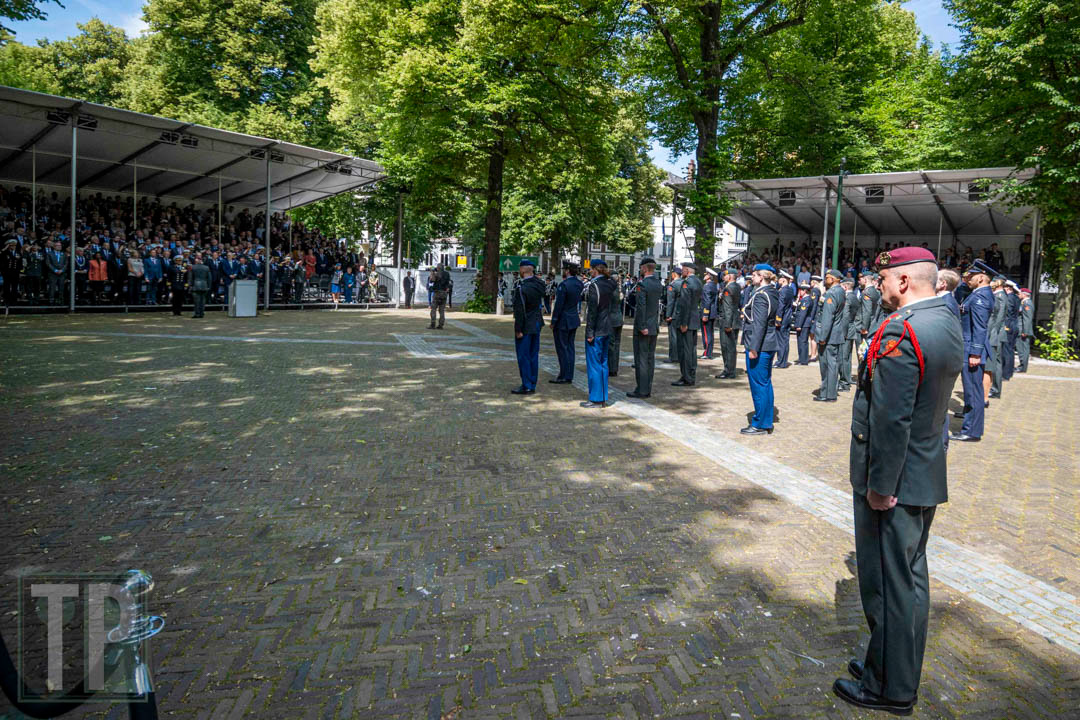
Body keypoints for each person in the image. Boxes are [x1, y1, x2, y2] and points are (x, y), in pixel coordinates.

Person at [833, 246, 963, 716]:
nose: (879, 285)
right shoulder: (945, 318)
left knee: (887, 586)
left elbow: (891, 419)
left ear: (905, 281)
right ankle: (890, 667)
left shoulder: (902, 328)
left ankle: (888, 689)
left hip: (895, 480)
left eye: (884, 278)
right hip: (925, 471)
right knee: (910, 580)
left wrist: (879, 485)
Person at [951, 261, 995, 442]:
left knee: (973, 392)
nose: (967, 278)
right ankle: (971, 427)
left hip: (971, 349)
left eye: (971, 276)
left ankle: (972, 431)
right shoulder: (977, 294)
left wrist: (975, 353)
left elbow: (979, 327)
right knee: (971, 391)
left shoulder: (981, 296)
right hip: (969, 347)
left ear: (982, 277)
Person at [741, 264, 780, 435]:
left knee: (759, 385)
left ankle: (760, 423)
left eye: (755, 275)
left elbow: (759, 324)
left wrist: (753, 347)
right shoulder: (771, 291)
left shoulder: (761, 295)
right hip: (768, 343)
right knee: (765, 383)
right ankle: (766, 419)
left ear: (762, 277)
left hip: (760, 345)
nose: (752, 277)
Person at [582, 259, 616, 407]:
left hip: (597, 330)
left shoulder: (594, 286)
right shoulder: (611, 284)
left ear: (595, 270)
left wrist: (589, 332)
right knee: (603, 364)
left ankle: (595, 398)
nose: (589, 271)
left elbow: (592, 312)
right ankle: (602, 397)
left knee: (594, 365)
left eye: (591, 269)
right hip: (608, 327)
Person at [629, 258, 662, 399]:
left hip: (643, 327)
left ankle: (642, 389)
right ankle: (646, 387)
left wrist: (642, 326)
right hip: (653, 326)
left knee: (641, 359)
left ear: (644, 268)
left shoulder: (642, 285)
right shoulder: (658, 283)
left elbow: (641, 307)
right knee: (649, 359)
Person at [511, 259, 545, 395]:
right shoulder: (539, 284)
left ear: (523, 270)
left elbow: (519, 311)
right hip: (537, 323)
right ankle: (532, 381)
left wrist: (518, 329)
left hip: (525, 325)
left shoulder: (521, 287)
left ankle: (527, 384)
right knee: (533, 355)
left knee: (523, 356)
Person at [814, 269, 847, 402]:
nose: (825, 280)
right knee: (832, 364)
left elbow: (828, 317)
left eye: (827, 277)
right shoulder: (840, 291)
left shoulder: (832, 293)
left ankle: (827, 394)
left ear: (833, 279)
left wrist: (823, 337)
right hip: (835, 333)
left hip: (829, 335)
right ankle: (830, 392)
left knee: (827, 365)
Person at [549, 263, 583, 384]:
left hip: (563, 320)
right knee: (570, 348)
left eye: (565, 270)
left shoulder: (564, 285)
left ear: (568, 271)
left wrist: (553, 320)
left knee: (562, 348)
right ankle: (569, 374)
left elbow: (559, 305)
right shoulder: (579, 284)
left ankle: (563, 375)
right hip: (573, 318)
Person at [672, 262, 703, 387]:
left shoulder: (687, 283)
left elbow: (685, 304)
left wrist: (683, 323)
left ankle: (686, 377)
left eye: (683, 269)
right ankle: (690, 374)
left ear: (687, 270)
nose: (682, 271)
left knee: (684, 351)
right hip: (694, 320)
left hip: (687, 321)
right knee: (691, 350)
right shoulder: (698, 282)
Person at [715, 268, 742, 378]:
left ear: (730, 276)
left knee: (727, 347)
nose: (723, 276)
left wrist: (727, 324)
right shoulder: (736, 286)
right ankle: (730, 369)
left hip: (728, 321)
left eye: (725, 275)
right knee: (731, 347)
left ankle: (729, 371)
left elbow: (728, 308)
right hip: (733, 320)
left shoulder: (729, 288)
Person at [987, 276, 1007, 400]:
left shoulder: (1000, 296)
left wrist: (991, 333)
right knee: (995, 362)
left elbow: (997, 319)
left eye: (994, 281)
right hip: (997, 333)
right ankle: (994, 388)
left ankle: (995, 389)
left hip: (996, 334)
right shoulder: (999, 295)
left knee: (995, 362)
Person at [839, 277, 859, 391]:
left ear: (846, 287)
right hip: (851, 329)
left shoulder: (848, 298)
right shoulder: (854, 297)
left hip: (847, 330)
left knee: (843, 357)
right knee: (847, 357)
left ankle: (844, 382)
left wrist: (844, 332)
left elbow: (846, 317)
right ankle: (847, 379)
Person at [773, 271, 795, 368]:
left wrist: (778, 319)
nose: (778, 281)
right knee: (785, 340)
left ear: (783, 279)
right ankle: (783, 361)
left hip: (782, 318)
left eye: (779, 279)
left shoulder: (782, 291)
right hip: (787, 317)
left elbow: (780, 306)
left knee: (780, 341)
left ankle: (780, 362)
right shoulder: (790, 289)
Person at [1002, 281, 1020, 380]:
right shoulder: (1016, 297)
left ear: (1008, 288)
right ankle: (1009, 372)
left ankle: (1005, 374)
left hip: (1008, 325)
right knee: (1010, 350)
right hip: (1014, 325)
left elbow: (1007, 313)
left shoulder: (1009, 298)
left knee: (1006, 350)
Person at [608, 271, 624, 376]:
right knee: (617, 345)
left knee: (611, 345)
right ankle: (615, 368)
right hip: (619, 319)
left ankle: (611, 368)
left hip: (611, 320)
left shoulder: (611, 291)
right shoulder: (620, 291)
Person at [792, 283, 813, 365]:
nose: (799, 292)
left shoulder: (806, 300)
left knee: (803, 342)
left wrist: (799, 325)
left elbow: (803, 314)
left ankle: (803, 360)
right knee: (800, 342)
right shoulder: (803, 299)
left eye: (801, 290)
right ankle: (801, 358)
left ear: (805, 291)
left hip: (804, 324)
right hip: (802, 323)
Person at [664, 270, 681, 364]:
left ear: (674, 274)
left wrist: (668, 315)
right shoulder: (684, 283)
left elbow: (671, 302)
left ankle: (673, 356)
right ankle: (678, 355)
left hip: (674, 315)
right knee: (679, 336)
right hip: (681, 314)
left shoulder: (673, 285)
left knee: (673, 336)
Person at [188, 253, 211, 318]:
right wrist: (208, 286)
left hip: (195, 285)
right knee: (203, 301)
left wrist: (190, 285)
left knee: (196, 301)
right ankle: (202, 313)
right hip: (204, 285)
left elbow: (190, 278)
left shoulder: (192, 267)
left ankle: (197, 314)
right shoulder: (206, 267)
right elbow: (209, 278)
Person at [1016, 288, 1034, 373]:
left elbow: (1027, 319)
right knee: (1021, 349)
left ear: (1024, 294)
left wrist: (1025, 331)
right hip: (1021, 329)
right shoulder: (1024, 303)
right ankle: (1021, 365)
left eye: (1019, 293)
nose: (1018, 295)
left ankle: (1023, 367)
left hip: (1023, 330)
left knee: (1023, 349)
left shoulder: (1027, 303)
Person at [1, 238, 20, 305]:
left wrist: (20, 271)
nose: (13, 247)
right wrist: (4, 249)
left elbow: (20, 263)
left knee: (14, 287)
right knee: (7, 287)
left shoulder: (18, 252)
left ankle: (14, 300)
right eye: (11, 245)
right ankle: (7, 300)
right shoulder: (5, 253)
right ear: (8, 246)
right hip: (7, 273)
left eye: (14, 245)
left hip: (15, 273)